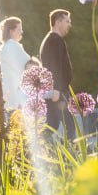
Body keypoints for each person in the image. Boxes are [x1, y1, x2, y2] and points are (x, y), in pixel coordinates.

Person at [39, 8, 74, 138]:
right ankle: (70, 154)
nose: (69, 25)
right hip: (58, 92)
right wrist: (56, 90)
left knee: (53, 125)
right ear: (58, 22)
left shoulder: (52, 40)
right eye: (67, 21)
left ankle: (39, 149)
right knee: (68, 128)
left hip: (58, 91)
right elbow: (54, 67)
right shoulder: (54, 40)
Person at [0, 17, 32, 113]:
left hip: (12, 97)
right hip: (15, 98)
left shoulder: (8, 46)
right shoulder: (11, 46)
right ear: (11, 31)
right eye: (19, 29)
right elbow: (26, 68)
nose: (22, 31)